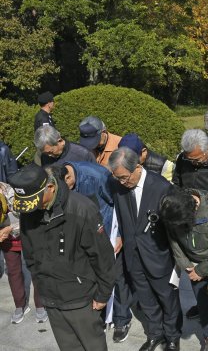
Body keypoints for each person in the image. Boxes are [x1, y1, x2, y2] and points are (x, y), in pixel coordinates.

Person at [8, 164, 115, 350]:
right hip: (51, 297)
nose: (31, 208)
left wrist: (103, 294)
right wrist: (41, 284)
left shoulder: (82, 209)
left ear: (50, 187)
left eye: (36, 200)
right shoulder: (29, 210)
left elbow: (103, 257)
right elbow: (30, 253)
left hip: (82, 299)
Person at [108, 147, 182, 351]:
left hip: (159, 256)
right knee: (146, 301)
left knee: (168, 301)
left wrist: (179, 262)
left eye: (124, 177)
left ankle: (172, 337)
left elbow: (175, 229)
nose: (122, 182)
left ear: (138, 167)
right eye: (118, 178)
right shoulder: (119, 187)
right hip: (133, 257)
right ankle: (155, 334)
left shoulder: (161, 187)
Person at [160, 187, 208, 351]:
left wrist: (201, 271)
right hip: (192, 267)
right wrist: (185, 264)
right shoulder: (172, 208)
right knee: (203, 305)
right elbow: (173, 241)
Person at [0, 182, 46, 324]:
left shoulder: (12, 192)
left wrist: (9, 229)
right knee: (13, 271)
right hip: (6, 239)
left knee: (35, 269)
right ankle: (20, 305)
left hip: (26, 232)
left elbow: (28, 216)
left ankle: (41, 305)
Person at [172, 129, 208, 204]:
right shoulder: (183, 158)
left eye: (197, 160)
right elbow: (176, 184)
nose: (192, 163)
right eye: (189, 159)